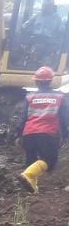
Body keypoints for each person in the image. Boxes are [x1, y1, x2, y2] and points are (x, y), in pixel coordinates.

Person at [13, 66, 69, 194]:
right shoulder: (59, 96)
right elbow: (65, 117)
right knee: (49, 160)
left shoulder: (30, 96)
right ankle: (27, 175)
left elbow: (23, 117)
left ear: (36, 81)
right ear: (50, 81)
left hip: (28, 133)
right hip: (47, 133)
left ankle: (32, 190)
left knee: (31, 160)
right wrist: (66, 134)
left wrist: (17, 134)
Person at [21, 0, 64, 68]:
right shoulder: (37, 16)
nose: (46, 7)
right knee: (29, 61)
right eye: (45, 5)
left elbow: (61, 33)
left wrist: (55, 43)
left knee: (46, 63)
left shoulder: (58, 19)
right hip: (35, 42)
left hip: (49, 45)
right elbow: (25, 26)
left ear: (53, 6)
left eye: (48, 5)